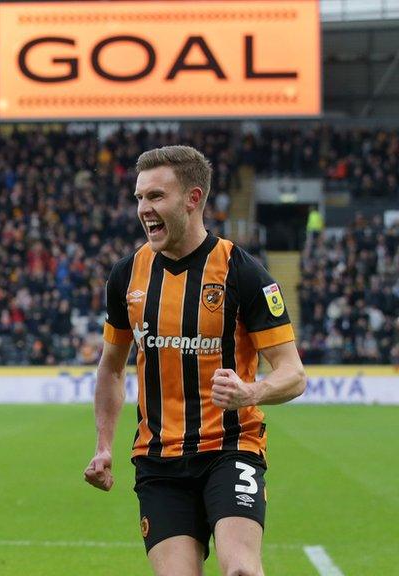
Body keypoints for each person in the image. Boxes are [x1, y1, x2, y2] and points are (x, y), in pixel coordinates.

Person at [84, 145, 306, 576]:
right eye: (139, 198)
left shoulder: (242, 272)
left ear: (193, 198)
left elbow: (294, 374)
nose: (144, 209)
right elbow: (111, 367)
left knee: (241, 569)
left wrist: (251, 391)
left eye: (155, 197)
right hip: (158, 460)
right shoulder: (126, 275)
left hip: (231, 448)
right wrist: (104, 446)